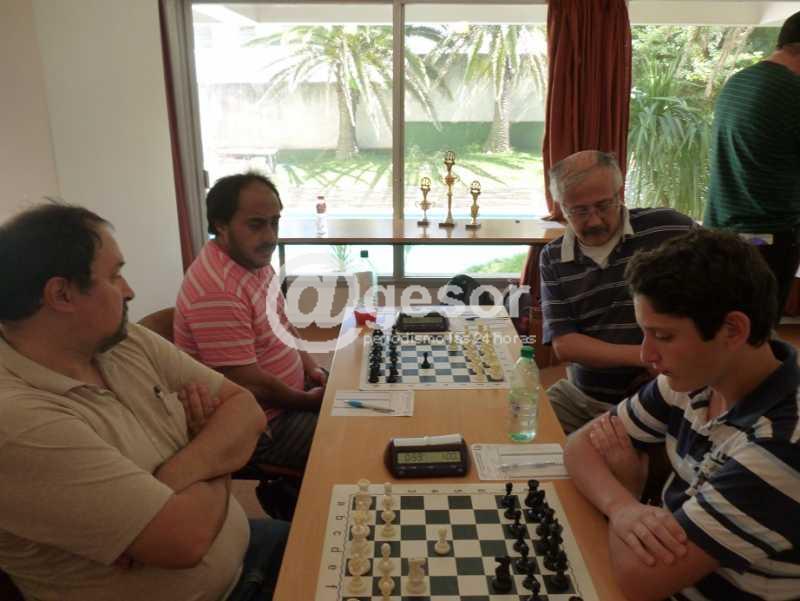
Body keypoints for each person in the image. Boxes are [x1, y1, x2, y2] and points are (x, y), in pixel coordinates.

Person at [0, 203, 289, 601]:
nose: (129, 290)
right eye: (114, 276)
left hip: (248, 551)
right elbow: (185, 540)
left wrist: (172, 477)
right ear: (61, 294)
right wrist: (216, 448)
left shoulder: (120, 341)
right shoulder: (18, 422)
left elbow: (245, 408)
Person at [564, 228, 800, 600]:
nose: (646, 355)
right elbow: (580, 446)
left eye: (664, 336)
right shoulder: (695, 379)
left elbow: (640, 580)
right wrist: (624, 508)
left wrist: (629, 492)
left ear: (733, 330)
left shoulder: (782, 446)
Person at [175, 173, 325, 481]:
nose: (270, 237)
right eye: (256, 224)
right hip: (262, 425)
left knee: (370, 400)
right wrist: (309, 402)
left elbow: (283, 322)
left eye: (275, 222)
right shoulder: (217, 290)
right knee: (353, 442)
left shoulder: (253, 261)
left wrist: (311, 367)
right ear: (221, 225)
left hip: (291, 397)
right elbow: (251, 385)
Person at [540, 150, 695, 433]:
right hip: (583, 399)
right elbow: (565, 345)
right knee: (518, 427)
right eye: (580, 211)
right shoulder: (552, 257)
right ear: (561, 207)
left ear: (619, 194)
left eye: (603, 205)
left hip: (663, 398)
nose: (595, 221)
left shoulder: (670, 229)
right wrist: (647, 356)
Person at [704, 11, 800, 323]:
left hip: (722, 233)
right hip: (764, 241)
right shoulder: (792, 91)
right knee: (756, 335)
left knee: (728, 328)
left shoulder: (739, 82)